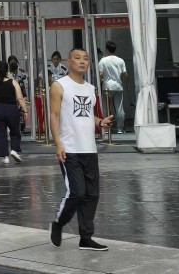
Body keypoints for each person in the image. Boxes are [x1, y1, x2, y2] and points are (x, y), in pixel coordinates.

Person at [49, 48, 114, 252]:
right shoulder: (59, 86)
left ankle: (86, 238)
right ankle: (59, 224)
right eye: (77, 58)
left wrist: (100, 122)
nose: (82, 61)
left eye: (86, 59)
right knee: (77, 192)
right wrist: (58, 143)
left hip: (89, 149)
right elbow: (54, 115)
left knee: (92, 195)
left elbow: (85, 115)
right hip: (70, 149)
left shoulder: (90, 88)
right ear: (69, 61)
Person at [0, 60, 27, 164]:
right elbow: (20, 98)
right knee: (14, 131)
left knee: (0, 133)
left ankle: (4, 156)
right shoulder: (13, 82)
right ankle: (14, 150)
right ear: (7, 71)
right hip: (12, 109)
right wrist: (25, 110)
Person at [97, 41, 128, 134]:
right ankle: (120, 129)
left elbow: (101, 74)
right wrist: (128, 84)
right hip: (118, 87)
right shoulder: (120, 60)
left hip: (107, 87)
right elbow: (125, 74)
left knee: (106, 107)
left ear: (106, 49)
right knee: (119, 108)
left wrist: (100, 82)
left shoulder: (103, 60)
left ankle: (107, 128)